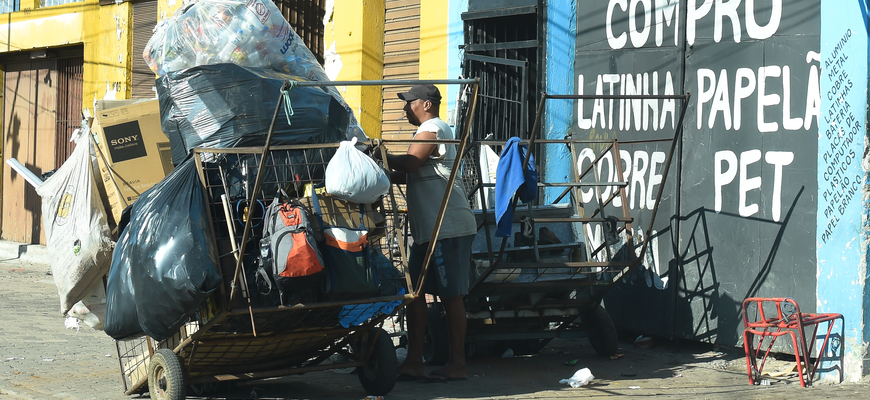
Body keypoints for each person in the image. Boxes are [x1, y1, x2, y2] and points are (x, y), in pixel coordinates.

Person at [378, 84, 477, 381]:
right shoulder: (428, 131)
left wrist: (379, 153)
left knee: (451, 297)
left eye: (409, 103)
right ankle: (413, 361)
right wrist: (374, 169)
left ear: (425, 104)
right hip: (428, 230)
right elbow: (407, 172)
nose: (405, 109)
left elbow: (410, 163)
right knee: (415, 294)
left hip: (448, 227)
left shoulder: (432, 128)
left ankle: (457, 364)